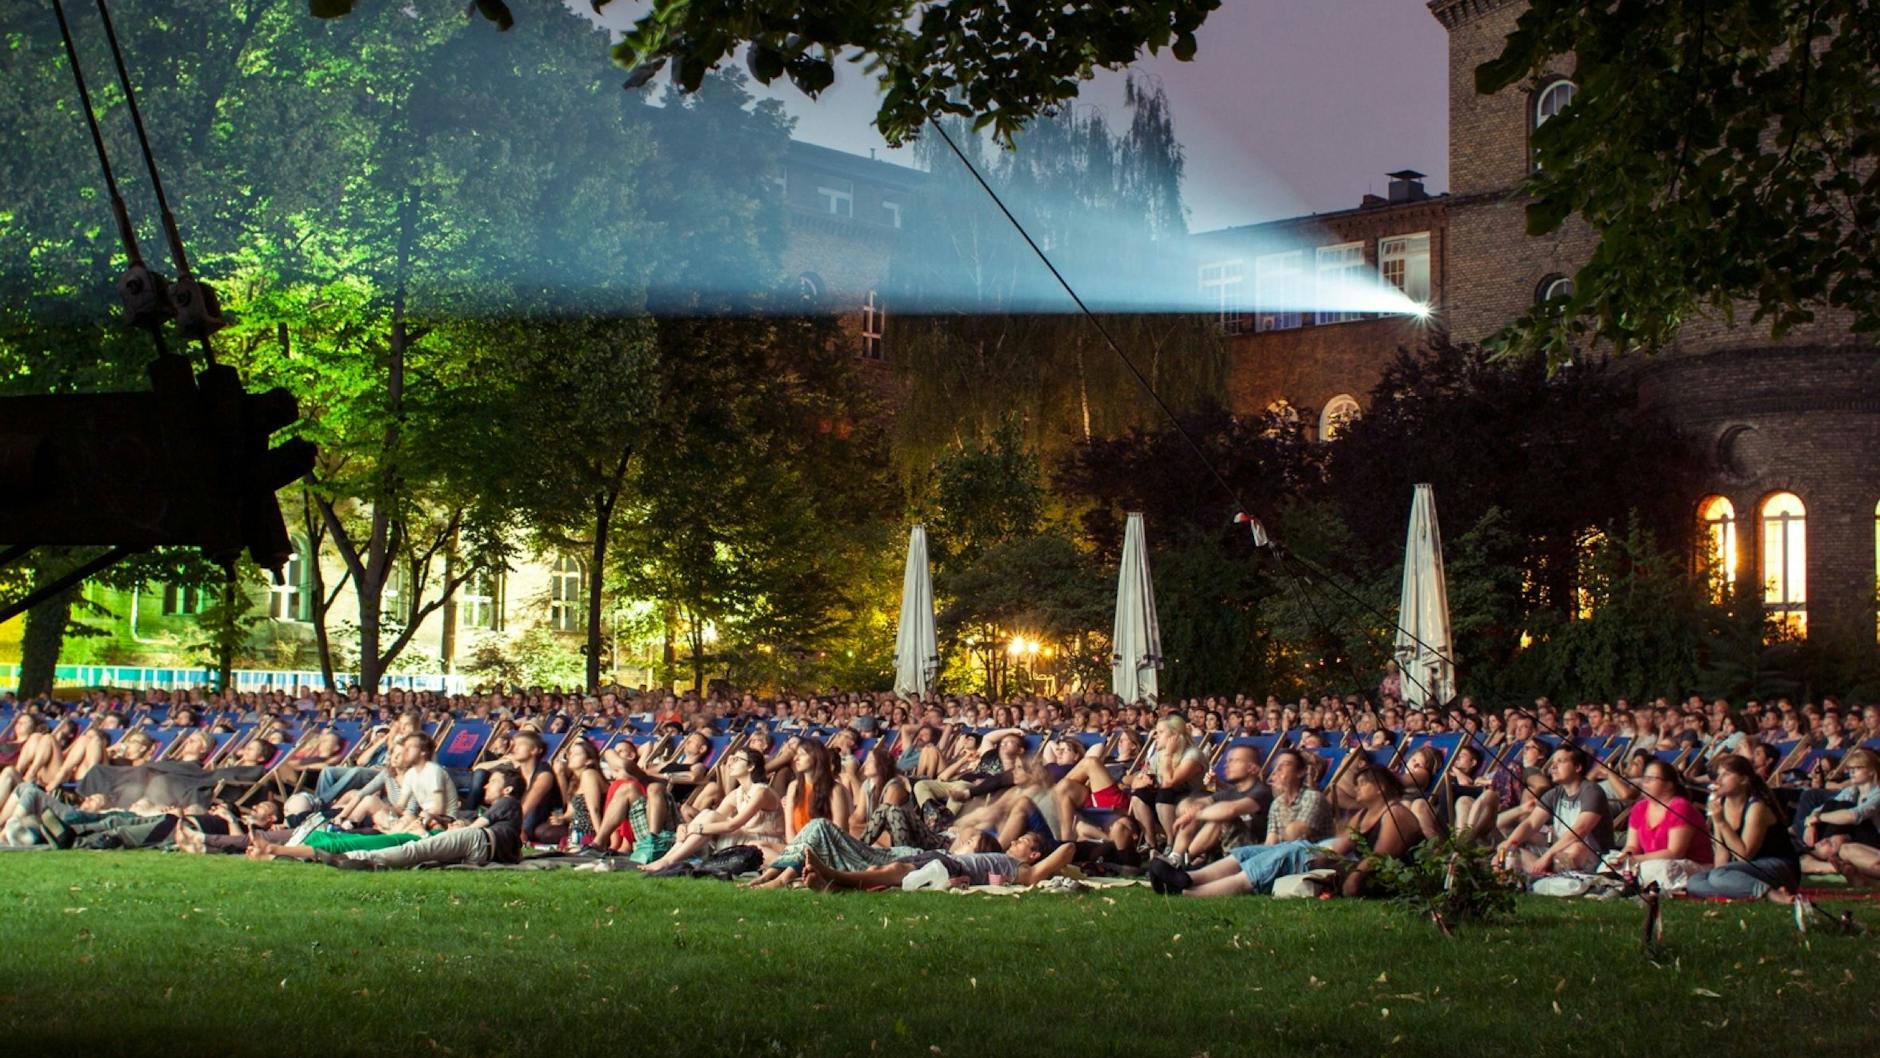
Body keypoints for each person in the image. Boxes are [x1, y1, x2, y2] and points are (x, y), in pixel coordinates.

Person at [1151, 765, 1421, 898]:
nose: (1357, 789)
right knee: (1258, 852)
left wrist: (1346, 879)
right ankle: (1188, 876)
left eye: (1363, 784)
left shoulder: (1396, 813)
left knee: (1284, 854)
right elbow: (1343, 842)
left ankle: (1188, 892)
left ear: (1382, 787)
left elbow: (1378, 860)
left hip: (1364, 877)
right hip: (1334, 857)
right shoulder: (1364, 814)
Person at [309, 766, 525, 870]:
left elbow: (476, 827)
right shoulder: (509, 811)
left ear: (507, 789)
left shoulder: (508, 803)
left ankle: (356, 858)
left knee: (417, 849)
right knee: (422, 851)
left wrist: (455, 828)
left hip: (479, 840)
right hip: (482, 849)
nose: (486, 785)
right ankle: (357, 857)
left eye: (493, 781)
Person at [636, 747, 784, 873]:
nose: (730, 762)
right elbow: (715, 816)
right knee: (709, 813)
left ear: (751, 767)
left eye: (737, 759)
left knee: (708, 818)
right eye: (731, 759)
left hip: (762, 842)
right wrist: (686, 827)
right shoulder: (738, 793)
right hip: (743, 838)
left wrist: (694, 827)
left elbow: (733, 825)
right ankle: (667, 859)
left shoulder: (762, 792)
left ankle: (669, 861)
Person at [1688, 753, 1799, 901]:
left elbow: (1744, 855)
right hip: (1743, 870)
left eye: (1726, 774)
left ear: (1744, 780)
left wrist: (1721, 822)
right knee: (1695, 882)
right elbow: (1722, 851)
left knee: (1718, 876)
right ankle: (1739, 890)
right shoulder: (1720, 804)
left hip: (1776, 866)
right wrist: (1720, 875)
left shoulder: (1756, 807)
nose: (1719, 780)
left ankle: (1771, 894)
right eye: (1719, 774)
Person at [1496, 745, 1615, 876]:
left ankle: (1538, 874)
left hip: (1594, 855)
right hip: (1560, 850)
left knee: (1576, 848)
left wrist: (1547, 856)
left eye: (1561, 761)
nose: (1553, 767)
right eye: (1553, 762)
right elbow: (1531, 824)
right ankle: (1543, 875)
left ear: (1578, 767)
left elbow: (1580, 830)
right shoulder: (1554, 793)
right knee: (1506, 848)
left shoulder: (1591, 791)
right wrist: (1508, 845)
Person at [1165, 744, 1270, 867]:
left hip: (1255, 849)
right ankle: (1175, 858)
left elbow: (1231, 810)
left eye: (1234, 761)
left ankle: (1186, 859)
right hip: (1229, 845)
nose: (1227, 765)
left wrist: (1194, 815)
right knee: (1195, 806)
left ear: (1252, 768)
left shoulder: (1261, 792)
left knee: (1219, 817)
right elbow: (1198, 803)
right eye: (1228, 760)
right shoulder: (1232, 792)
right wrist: (1191, 808)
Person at [1616, 758, 1707, 891]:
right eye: (1644, 777)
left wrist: (1637, 859)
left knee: (1663, 868)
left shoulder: (1680, 807)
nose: (1645, 782)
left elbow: (1675, 852)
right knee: (1610, 861)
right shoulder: (1639, 808)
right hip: (1650, 861)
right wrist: (1624, 857)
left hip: (1689, 864)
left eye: (1652, 778)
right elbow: (1632, 845)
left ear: (1668, 785)